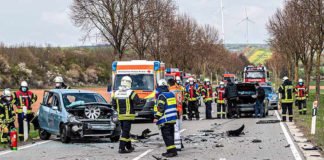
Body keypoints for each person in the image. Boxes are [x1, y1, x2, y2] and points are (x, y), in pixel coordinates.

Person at [111, 76, 140, 154]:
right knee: (125, 132)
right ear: (129, 83)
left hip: (120, 116)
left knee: (125, 131)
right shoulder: (131, 92)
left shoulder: (116, 93)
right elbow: (137, 101)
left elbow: (113, 104)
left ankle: (129, 147)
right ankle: (121, 148)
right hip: (128, 116)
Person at [155, 79, 178, 157]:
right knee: (171, 135)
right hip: (172, 118)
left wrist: (156, 116)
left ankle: (172, 152)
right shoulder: (171, 94)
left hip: (165, 119)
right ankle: (170, 151)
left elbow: (161, 108)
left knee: (167, 136)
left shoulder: (162, 96)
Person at [168, 78, 184, 151]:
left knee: (175, 129)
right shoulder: (179, 89)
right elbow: (182, 99)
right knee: (179, 128)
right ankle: (180, 143)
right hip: (180, 109)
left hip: (174, 110)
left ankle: (177, 146)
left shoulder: (170, 90)